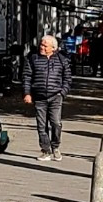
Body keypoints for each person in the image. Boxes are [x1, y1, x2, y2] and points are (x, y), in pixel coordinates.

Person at [24, 33, 71, 163]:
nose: (42, 47)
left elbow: (67, 78)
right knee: (41, 125)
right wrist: (27, 93)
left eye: (45, 46)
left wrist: (62, 93)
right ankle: (45, 150)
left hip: (55, 96)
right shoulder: (33, 58)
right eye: (41, 44)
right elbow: (27, 77)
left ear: (53, 48)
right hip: (39, 97)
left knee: (56, 123)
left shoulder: (61, 60)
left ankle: (55, 146)